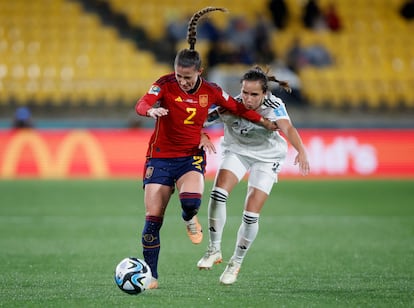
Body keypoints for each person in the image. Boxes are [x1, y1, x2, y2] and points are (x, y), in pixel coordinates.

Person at [134, 8, 278, 290]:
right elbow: (141, 103)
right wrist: (149, 112)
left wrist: (263, 120)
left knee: (191, 203)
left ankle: (190, 219)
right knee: (153, 219)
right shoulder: (164, 84)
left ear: (199, 72)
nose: (182, 81)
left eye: (187, 77)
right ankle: (151, 275)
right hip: (160, 157)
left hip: (189, 158)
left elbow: (236, 107)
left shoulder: (210, 91)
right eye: (178, 75)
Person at [197, 66, 310, 285]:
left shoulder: (274, 106)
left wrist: (302, 150)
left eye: (254, 94)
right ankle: (214, 249)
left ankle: (236, 263)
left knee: (250, 214)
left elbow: (288, 129)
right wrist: (201, 134)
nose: (247, 98)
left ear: (265, 94)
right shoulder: (230, 105)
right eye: (245, 92)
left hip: (267, 158)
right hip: (237, 151)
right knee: (218, 193)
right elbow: (196, 120)